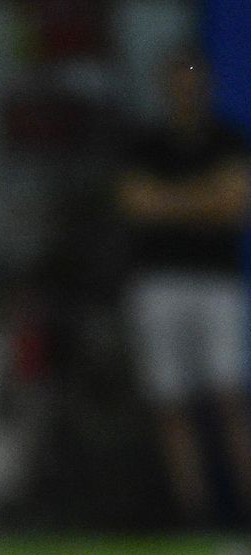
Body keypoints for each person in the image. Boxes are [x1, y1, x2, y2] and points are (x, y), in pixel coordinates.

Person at [118, 49, 251, 525]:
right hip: (159, 285)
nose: (186, 88)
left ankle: (242, 507)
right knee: (170, 401)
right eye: (178, 79)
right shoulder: (146, 143)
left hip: (216, 284)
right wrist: (204, 200)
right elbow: (136, 204)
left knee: (227, 394)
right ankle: (192, 514)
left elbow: (235, 205)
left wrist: (170, 202)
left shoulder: (227, 139)